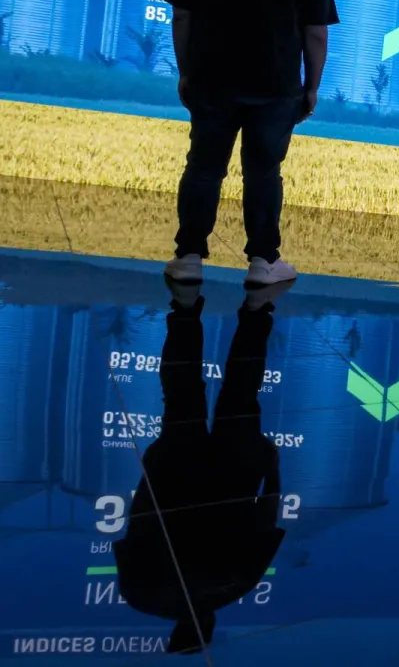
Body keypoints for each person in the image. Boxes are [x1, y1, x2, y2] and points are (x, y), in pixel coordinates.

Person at [161, 0, 338, 287]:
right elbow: (316, 33)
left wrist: (186, 70)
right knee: (263, 173)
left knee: (204, 168)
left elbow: (182, 16)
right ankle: (263, 263)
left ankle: (188, 257)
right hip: (275, 88)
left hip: (210, 81)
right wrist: (311, 87)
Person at [115, 277, 290, 653]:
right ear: (173, 633)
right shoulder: (138, 594)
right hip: (176, 472)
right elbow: (138, 523)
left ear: (208, 626)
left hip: (234, 473)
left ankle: (257, 309)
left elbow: (267, 518)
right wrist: (150, 468)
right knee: (181, 394)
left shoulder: (237, 586)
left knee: (242, 391)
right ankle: (184, 307)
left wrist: (272, 467)